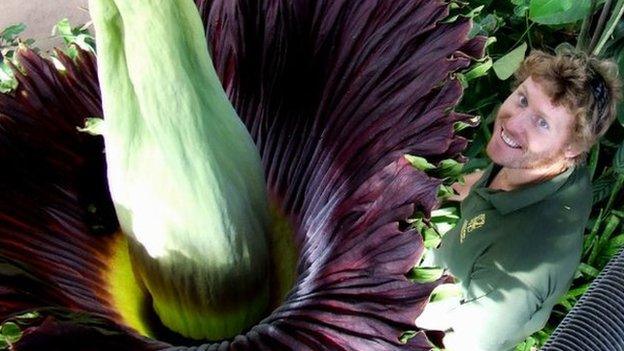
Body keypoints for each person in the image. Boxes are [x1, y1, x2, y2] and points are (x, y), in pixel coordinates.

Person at [415, 49, 622, 351]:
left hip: (444, 311)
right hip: (455, 256)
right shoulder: (536, 161)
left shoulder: (515, 270)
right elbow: (478, 183)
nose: (513, 124)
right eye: (523, 99)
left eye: (542, 123)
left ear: (572, 149)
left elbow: (460, 343)